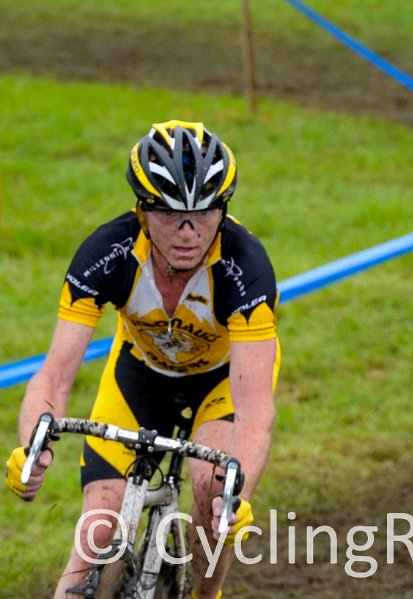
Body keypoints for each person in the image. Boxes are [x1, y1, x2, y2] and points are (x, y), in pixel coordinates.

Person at [4, 120, 280, 599]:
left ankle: (205, 595)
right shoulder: (106, 253)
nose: (189, 232)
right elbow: (55, 375)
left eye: (204, 212)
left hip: (220, 383)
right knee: (97, 528)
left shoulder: (245, 269)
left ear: (223, 209)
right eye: (170, 214)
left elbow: (256, 410)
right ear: (142, 210)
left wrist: (237, 493)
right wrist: (32, 447)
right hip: (140, 373)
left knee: (213, 492)